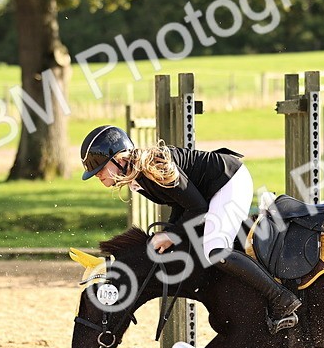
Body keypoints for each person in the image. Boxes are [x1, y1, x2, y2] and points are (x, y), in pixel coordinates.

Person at [80, 125, 301, 333]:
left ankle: (280, 298)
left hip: (229, 182)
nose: (97, 175)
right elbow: (180, 202)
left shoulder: (151, 168)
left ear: (119, 159)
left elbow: (198, 209)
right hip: (213, 189)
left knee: (216, 250)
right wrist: (170, 232)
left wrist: (172, 234)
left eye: (100, 169)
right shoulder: (137, 177)